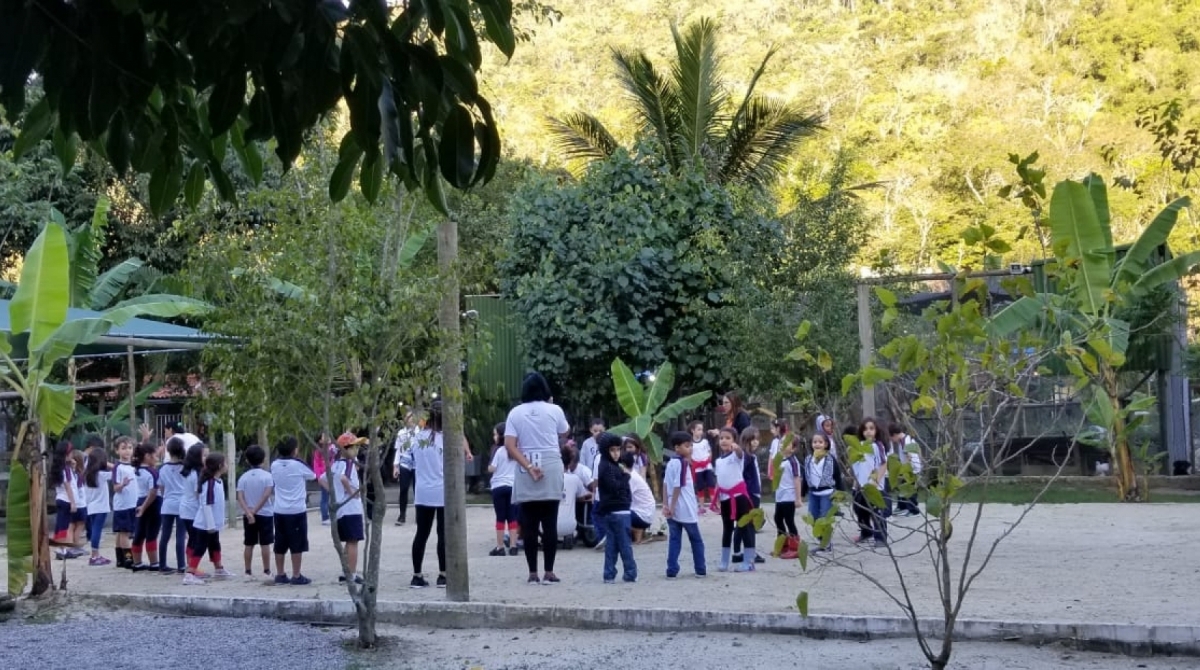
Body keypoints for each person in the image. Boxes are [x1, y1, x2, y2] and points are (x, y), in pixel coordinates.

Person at [504, 371, 570, 585]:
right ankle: (549, 571)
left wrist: (529, 466)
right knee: (550, 523)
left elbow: (509, 445)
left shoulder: (515, 413)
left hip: (526, 464)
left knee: (529, 524)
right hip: (550, 464)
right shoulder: (554, 409)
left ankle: (532, 573)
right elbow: (564, 431)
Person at [410, 402, 471, 588]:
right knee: (443, 534)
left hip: (422, 491)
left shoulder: (417, 438)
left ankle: (417, 574)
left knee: (421, 533)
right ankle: (443, 574)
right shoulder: (446, 439)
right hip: (443, 490)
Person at [271, 436, 316, 585]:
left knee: (280, 542)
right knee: (297, 543)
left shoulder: (274, 464)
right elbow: (313, 475)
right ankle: (296, 575)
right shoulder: (298, 465)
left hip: (279, 509)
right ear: (294, 450)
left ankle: (280, 574)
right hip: (296, 510)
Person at [595, 432, 636, 584]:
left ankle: (609, 574)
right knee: (624, 544)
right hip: (619, 510)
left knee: (611, 545)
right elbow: (615, 487)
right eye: (612, 450)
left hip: (611, 510)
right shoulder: (609, 467)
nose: (616, 453)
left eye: (618, 449)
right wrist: (626, 476)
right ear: (606, 450)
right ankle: (630, 573)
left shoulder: (608, 465)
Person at [663, 431, 705, 579]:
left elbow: (665, 484)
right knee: (696, 539)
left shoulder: (670, 463)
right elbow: (677, 486)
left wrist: (666, 504)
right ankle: (700, 569)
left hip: (673, 508)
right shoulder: (682, 463)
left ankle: (671, 569)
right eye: (687, 446)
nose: (690, 448)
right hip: (685, 508)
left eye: (691, 445)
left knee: (674, 540)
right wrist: (672, 506)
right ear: (677, 448)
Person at [713, 427, 755, 572]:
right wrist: (717, 497)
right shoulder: (718, 461)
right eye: (721, 438)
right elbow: (719, 479)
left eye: (728, 438)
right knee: (727, 529)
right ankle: (724, 561)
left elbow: (740, 454)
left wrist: (737, 448)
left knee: (744, 527)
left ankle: (749, 561)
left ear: (734, 441)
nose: (724, 441)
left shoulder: (737, 457)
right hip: (725, 498)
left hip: (739, 498)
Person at [185, 452, 232, 584]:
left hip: (213, 524)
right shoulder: (210, 483)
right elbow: (206, 504)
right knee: (200, 547)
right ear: (219, 466)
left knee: (215, 545)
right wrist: (210, 525)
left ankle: (219, 568)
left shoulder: (218, 481)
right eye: (225, 463)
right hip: (205, 524)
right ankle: (190, 573)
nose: (227, 465)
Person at [237, 444, 275, 578]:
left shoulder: (243, 477)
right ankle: (266, 571)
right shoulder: (267, 476)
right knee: (265, 543)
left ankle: (248, 571)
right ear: (263, 460)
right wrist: (255, 510)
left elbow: (240, 496)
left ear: (247, 460)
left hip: (248, 515)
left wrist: (248, 512)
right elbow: (266, 495)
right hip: (265, 513)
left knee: (249, 543)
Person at [332, 433, 366, 585]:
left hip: (341, 508)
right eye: (354, 447)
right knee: (353, 542)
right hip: (351, 508)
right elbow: (343, 478)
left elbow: (323, 479)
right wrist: (352, 493)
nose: (356, 450)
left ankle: (345, 571)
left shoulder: (335, 464)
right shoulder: (349, 464)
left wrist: (335, 492)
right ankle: (351, 574)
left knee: (348, 541)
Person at [854, 418, 891, 547]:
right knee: (860, 510)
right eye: (865, 429)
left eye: (871, 428)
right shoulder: (859, 446)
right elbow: (857, 467)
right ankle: (866, 531)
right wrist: (855, 484)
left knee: (877, 512)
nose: (868, 431)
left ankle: (880, 538)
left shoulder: (877, 446)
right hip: (862, 486)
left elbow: (883, 464)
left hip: (875, 486)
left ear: (876, 430)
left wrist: (876, 481)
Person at [732, 426, 764, 565]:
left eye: (757, 439)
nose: (756, 442)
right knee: (750, 524)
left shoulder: (751, 456)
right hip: (750, 494)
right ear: (746, 440)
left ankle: (737, 552)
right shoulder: (747, 457)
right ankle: (750, 552)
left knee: (742, 523)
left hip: (751, 493)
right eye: (753, 439)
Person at [157, 437, 188, 574]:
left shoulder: (163, 468)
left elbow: (161, 487)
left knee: (165, 535)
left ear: (168, 451)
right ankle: (181, 565)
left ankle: (162, 564)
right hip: (182, 503)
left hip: (167, 504)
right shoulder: (185, 467)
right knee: (180, 535)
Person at [50, 441, 86, 557]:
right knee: (64, 526)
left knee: (61, 525)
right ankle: (63, 549)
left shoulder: (61, 468)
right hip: (66, 500)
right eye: (70, 453)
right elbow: (68, 487)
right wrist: (73, 503)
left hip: (61, 499)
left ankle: (61, 549)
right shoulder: (65, 469)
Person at [488, 423, 519, 556]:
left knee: (500, 517)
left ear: (501, 436)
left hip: (499, 486)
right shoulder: (516, 450)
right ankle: (513, 546)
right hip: (512, 486)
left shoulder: (498, 450)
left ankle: (500, 547)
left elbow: (492, 468)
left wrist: (489, 467)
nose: (494, 437)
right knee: (512, 517)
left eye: (495, 434)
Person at [130, 443, 162, 571]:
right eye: (155, 455)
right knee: (152, 533)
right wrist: (144, 507)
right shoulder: (152, 472)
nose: (157, 458)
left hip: (140, 500)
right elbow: (153, 491)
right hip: (152, 503)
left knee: (140, 532)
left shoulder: (137, 470)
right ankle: (154, 563)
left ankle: (137, 562)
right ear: (148, 456)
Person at [803, 433, 837, 553]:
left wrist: (840, 492)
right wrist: (803, 492)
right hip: (813, 493)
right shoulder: (808, 459)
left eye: (820, 442)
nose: (817, 444)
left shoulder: (830, 459)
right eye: (815, 442)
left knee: (825, 517)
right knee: (812, 517)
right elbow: (805, 475)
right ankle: (821, 539)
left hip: (827, 492)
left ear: (826, 444)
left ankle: (826, 545)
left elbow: (837, 475)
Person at [111, 436, 139, 569]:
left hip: (133, 503)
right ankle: (128, 558)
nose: (127, 451)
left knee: (121, 533)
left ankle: (120, 559)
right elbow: (115, 488)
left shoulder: (134, 466)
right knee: (124, 532)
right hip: (123, 505)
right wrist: (123, 484)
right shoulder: (118, 467)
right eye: (123, 448)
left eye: (129, 448)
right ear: (117, 451)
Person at [178, 443, 206, 573]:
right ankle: (192, 566)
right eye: (204, 455)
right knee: (196, 539)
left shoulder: (188, 472)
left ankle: (191, 564)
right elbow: (197, 493)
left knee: (193, 538)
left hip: (186, 508)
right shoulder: (196, 474)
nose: (206, 458)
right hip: (192, 509)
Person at [772, 437, 802, 560]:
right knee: (778, 519)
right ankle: (782, 545)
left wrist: (798, 498)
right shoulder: (780, 460)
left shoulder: (793, 462)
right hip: (780, 496)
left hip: (789, 496)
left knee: (789, 521)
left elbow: (797, 479)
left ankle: (795, 548)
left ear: (793, 448)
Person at [83, 449, 113, 566]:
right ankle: (94, 555)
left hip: (90, 506)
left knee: (94, 529)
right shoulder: (102, 475)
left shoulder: (87, 475)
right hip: (101, 507)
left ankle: (96, 554)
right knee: (97, 530)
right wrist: (108, 464)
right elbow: (117, 470)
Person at [558, 444, 591, 549]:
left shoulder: (548, 478)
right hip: (570, 526)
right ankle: (569, 536)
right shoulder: (575, 478)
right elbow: (583, 496)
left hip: (547, 525)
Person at [889, 423, 922, 516]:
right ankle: (901, 506)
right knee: (902, 487)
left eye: (891, 438)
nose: (892, 441)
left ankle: (913, 510)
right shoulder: (906, 439)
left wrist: (905, 469)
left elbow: (909, 456)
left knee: (909, 490)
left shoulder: (905, 442)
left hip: (911, 469)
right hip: (910, 468)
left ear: (894, 435)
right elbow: (919, 450)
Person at [391, 413, 417, 526]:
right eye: (408, 417)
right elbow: (398, 450)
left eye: (412, 417)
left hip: (417, 463)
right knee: (403, 489)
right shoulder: (401, 433)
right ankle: (402, 514)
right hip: (405, 462)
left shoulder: (420, 432)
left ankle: (419, 515)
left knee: (417, 490)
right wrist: (395, 466)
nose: (410, 419)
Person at [623, 453, 655, 544]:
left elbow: (624, 498)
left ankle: (636, 530)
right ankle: (636, 531)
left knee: (616, 514)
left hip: (643, 516)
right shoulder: (632, 474)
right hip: (645, 513)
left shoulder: (630, 478)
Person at [688, 420, 715, 510]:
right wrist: (693, 463)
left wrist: (708, 461)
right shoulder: (690, 444)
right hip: (697, 468)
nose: (701, 432)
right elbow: (689, 455)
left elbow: (709, 452)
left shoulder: (705, 441)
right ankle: (702, 507)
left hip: (707, 466)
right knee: (700, 487)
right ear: (693, 430)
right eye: (698, 429)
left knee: (711, 484)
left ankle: (714, 504)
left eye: (701, 430)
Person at [313, 433, 333, 526]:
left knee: (333, 496)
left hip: (332, 475)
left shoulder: (332, 448)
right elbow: (316, 465)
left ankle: (332, 514)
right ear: (320, 441)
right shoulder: (318, 451)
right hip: (323, 476)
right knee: (325, 497)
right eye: (324, 436)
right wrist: (318, 477)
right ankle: (325, 517)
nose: (327, 437)